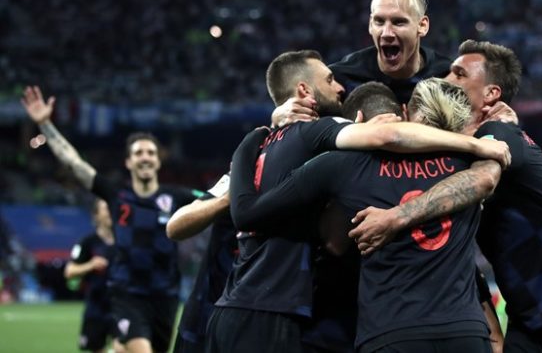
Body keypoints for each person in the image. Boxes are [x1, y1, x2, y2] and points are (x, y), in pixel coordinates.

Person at [206, 50, 510, 353]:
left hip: (389, 331)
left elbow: (333, 242)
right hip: (464, 329)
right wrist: (479, 141)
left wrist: (252, 144)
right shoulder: (468, 165)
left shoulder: (344, 165)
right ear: (399, 115)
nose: (338, 86)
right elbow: (484, 182)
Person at [348, 40, 542, 353]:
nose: (447, 79)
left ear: (491, 94)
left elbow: (482, 180)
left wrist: (395, 217)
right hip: (530, 316)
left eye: (459, 74)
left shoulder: (498, 133)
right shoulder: (458, 154)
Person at [21, 86, 202, 353]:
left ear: (158, 161)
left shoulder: (177, 196)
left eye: (150, 153)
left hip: (166, 296)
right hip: (127, 294)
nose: (145, 158)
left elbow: (214, 198)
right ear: (128, 162)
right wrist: (45, 125)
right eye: (138, 153)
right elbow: (74, 163)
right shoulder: (116, 195)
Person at [272, 0, 452, 127]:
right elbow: (295, 121)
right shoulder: (342, 78)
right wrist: (277, 118)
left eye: (398, 22)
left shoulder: (447, 75)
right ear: (370, 24)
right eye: (379, 21)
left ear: (422, 26)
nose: (387, 33)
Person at [165, 171, 235, 353]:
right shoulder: (236, 177)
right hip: (206, 311)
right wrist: (226, 199)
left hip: (258, 315)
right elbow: (175, 227)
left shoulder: (298, 184)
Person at [64, 198, 123, 353]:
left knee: (124, 347)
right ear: (96, 215)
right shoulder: (88, 242)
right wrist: (90, 264)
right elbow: (69, 271)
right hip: (96, 307)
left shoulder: (124, 240)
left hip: (122, 306)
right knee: (96, 348)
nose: (110, 212)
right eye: (106, 208)